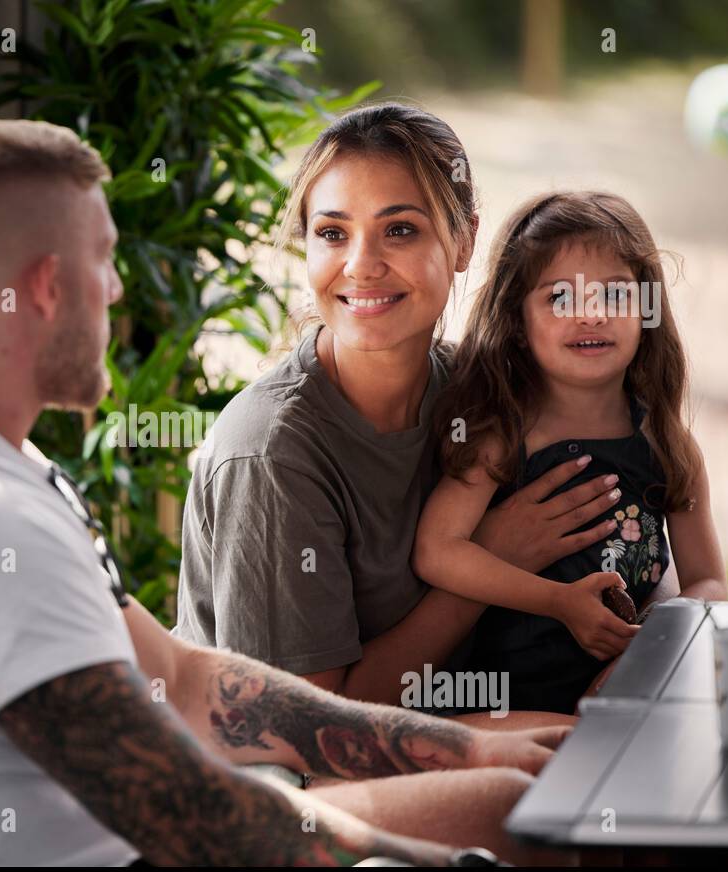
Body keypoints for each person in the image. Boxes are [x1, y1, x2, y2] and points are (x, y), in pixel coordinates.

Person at [0, 115, 572, 866]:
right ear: (45, 287)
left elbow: (183, 680)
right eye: (103, 261)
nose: (115, 290)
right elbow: (191, 815)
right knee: (538, 816)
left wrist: (464, 751)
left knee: (511, 785)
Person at [175, 104, 634, 721]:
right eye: (332, 233)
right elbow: (305, 729)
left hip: (459, 722)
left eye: (399, 230)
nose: (361, 264)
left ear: (465, 239)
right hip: (305, 788)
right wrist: (489, 560)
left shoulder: (481, 396)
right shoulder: (272, 451)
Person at [413, 190, 728, 714]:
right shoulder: (503, 435)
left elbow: (708, 580)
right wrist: (561, 603)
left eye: (616, 295)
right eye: (561, 298)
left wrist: (653, 644)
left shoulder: (669, 445)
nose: (592, 316)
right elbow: (438, 550)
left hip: (636, 695)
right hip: (502, 707)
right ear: (518, 321)